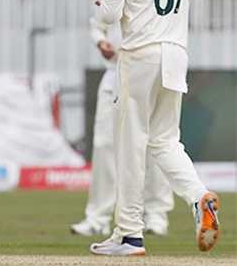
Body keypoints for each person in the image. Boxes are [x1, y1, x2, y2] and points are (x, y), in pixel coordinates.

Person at [89, 0, 220, 256]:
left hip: (141, 53)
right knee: (165, 141)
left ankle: (129, 234)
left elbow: (110, 14)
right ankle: (199, 197)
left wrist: (103, 3)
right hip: (175, 52)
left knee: (130, 144)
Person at [71, 16, 174, 237]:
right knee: (104, 145)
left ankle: (156, 215)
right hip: (114, 76)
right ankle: (98, 218)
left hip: (148, 73)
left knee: (154, 144)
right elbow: (96, 24)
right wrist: (100, 41)